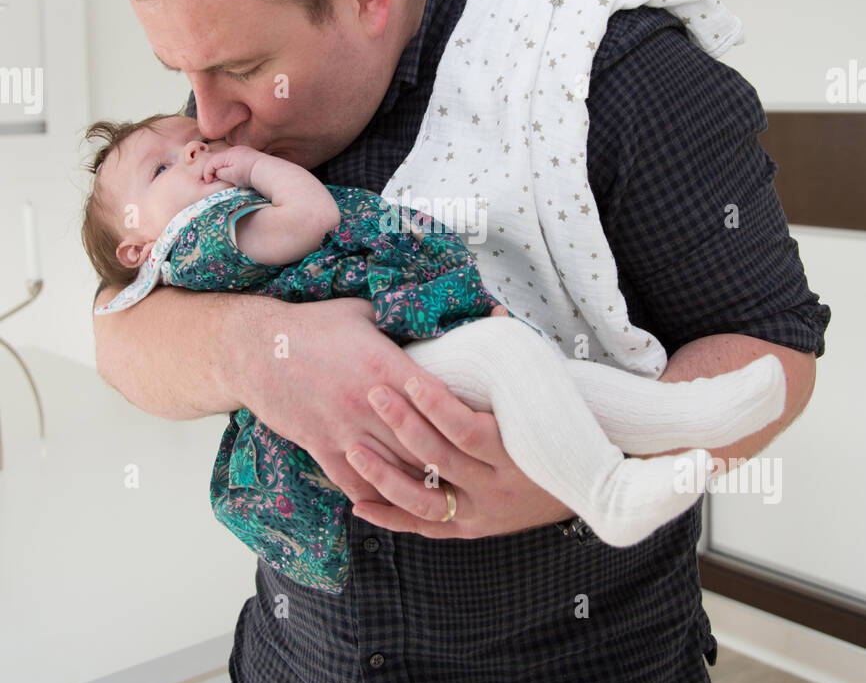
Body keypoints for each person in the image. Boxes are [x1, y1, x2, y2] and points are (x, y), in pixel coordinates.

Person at [92, 0, 830, 683]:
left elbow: (773, 351)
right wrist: (259, 349)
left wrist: (555, 471)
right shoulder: (221, 129)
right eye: (183, 80)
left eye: (241, 71)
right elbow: (123, 328)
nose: (206, 122)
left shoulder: (617, 78)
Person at [81, 113, 788, 585]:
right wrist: (258, 166)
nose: (198, 148)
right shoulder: (203, 238)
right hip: (375, 366)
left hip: (386, 344)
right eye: (162, 166)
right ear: (139, 246)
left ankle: (690, 416)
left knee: (547, 377)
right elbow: (313, 216)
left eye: (192, 142)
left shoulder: (195, 228)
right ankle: (605, 492)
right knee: (506, 356)